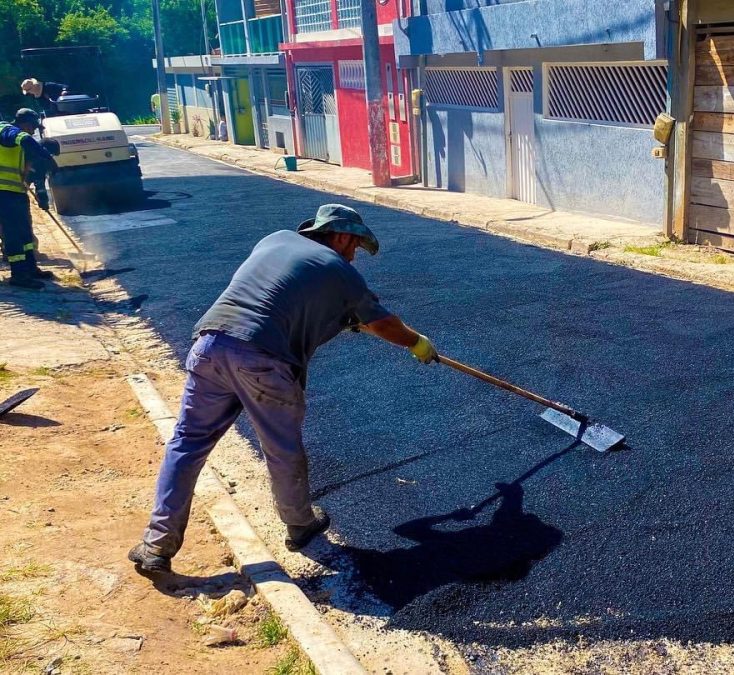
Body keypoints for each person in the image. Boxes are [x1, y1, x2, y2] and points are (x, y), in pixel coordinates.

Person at [128, 204, 439, 574]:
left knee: (187, 442)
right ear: (340, 236)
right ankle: (300, 523)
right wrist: (415, 342)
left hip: (209, 346)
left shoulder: (274, 240)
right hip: (262, 361)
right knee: (282, 449)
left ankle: (157, 544)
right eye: (354, 245)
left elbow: (278, 296)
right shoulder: (341, 272)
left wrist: (341, 320)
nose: (353, 255)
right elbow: (384, 323)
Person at [0, 109, 58, 290]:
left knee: (25, 233)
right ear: (24, 123)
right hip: (3, 193)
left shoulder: (19, 141)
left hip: (15, 192)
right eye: (32, 127)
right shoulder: (7, 130)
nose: (33, 131)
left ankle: (30, 269)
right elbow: (25, 139)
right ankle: (19, 275)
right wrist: (46, 156)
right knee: (13, 234)